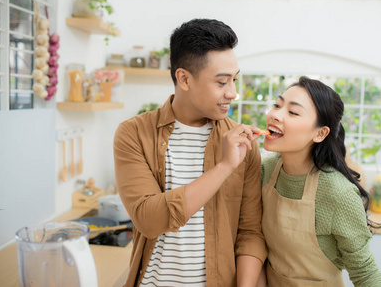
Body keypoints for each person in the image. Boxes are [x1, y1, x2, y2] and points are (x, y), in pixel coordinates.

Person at [113, 18, 267, 287]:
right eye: (221, 82)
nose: (233, 93)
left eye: (234, 80)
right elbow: (148, 219)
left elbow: (250, 233)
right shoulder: (133, 134)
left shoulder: (243, 145)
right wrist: (223, 168)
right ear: (184, 78)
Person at [258, 76, 381, 286]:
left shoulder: (339, 194)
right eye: (277, 105)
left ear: (320, 133)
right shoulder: (266, 169)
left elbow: (365, 274)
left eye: (292, 112)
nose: (275, 115)